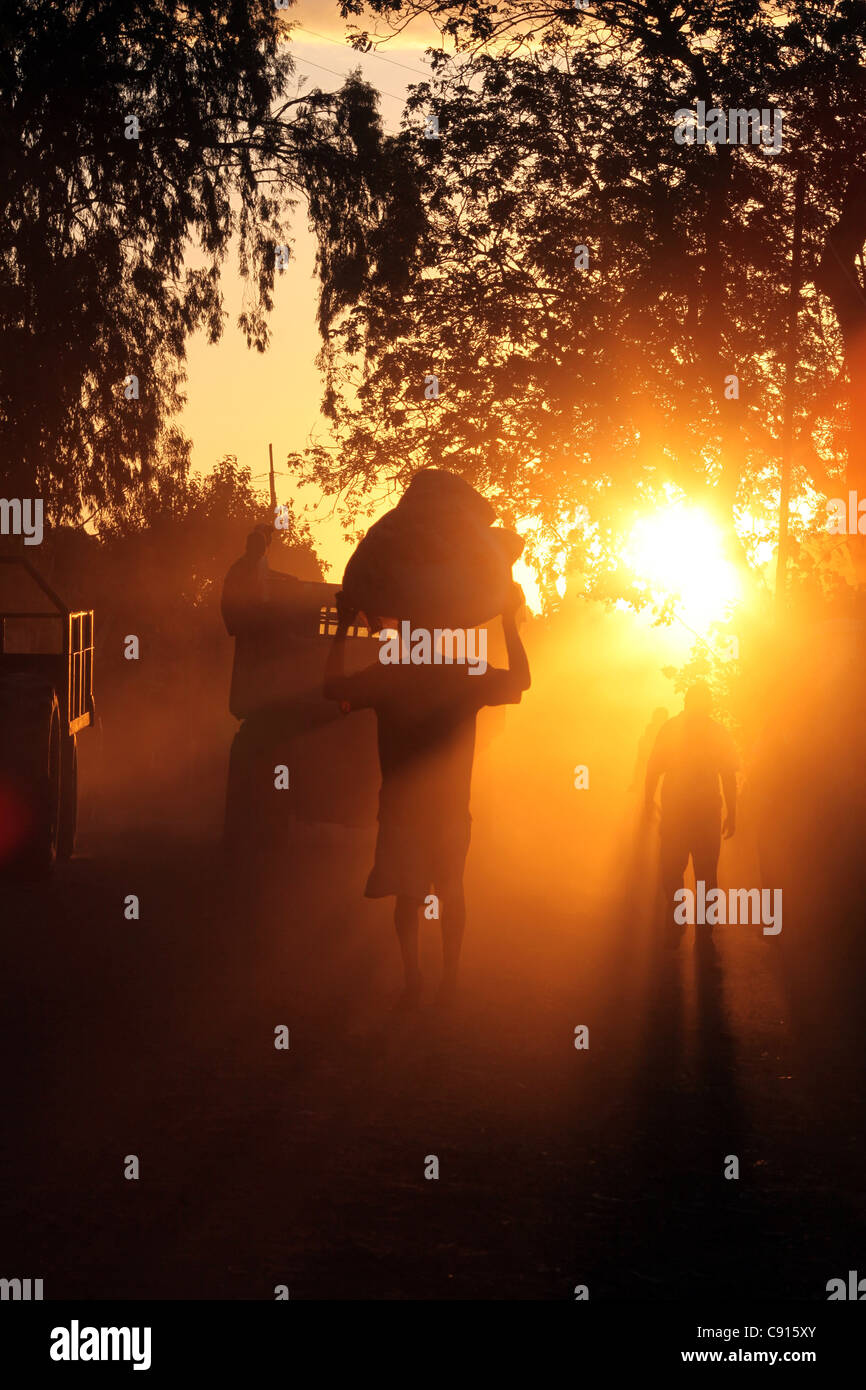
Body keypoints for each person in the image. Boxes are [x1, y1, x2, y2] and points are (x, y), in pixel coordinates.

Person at [324, 583, 531, 1007]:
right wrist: (509, 620)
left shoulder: (391, 675)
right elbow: (522, 680)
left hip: (403, 811)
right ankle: (448, 978)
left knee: (408, 895)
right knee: (452, 890)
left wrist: (344, 626)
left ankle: (414, 977)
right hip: (450, 810)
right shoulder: (462, 673)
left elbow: (332, 688)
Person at [644, 682, 738, 942]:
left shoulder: (671, 729)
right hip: (704, 811)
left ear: (685, 702)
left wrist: (648, 802)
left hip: (680, 810)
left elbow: (653, 769)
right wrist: (732, 812)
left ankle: (680, 919)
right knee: (705, 871)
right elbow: (728, 775)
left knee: (673, 867)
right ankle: (703, 931)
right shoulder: (716, 732)